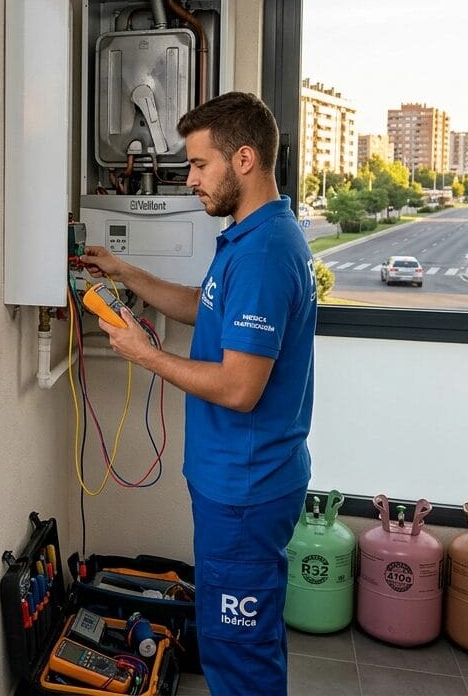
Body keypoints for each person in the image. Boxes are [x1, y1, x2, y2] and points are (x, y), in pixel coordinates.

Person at [83, 91, 316, 695]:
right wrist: (125, 272)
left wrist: (146, 355)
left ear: (244, 159)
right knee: (240, 638)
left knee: (238, 656)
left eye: (198, 164)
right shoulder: (248, 236)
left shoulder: (264, 253)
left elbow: (241, 389)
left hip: (246, 487)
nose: (188, 179)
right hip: (236, 482)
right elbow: (202, 309)